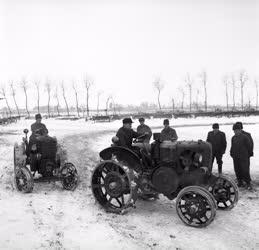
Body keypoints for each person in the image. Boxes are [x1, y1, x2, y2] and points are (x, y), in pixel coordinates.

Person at [230, 123, 253, 190]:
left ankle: (248, 183)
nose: (235, 132)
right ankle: (240, 182)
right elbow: (232, 146)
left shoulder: (245, 137)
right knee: (237, 170)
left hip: (243, 157)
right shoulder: (233, 138)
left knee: (245, 170)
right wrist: (231, 153)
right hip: (235, 157)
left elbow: (249, 146)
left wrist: (248, 154)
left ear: (240, 130)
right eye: (234, 130)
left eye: (236, 130)